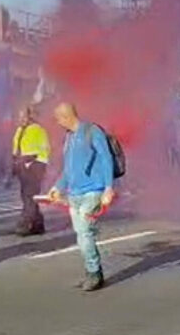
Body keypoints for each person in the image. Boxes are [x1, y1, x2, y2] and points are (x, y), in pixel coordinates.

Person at [48, 103, 115, 291]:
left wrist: (108, 188)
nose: (57, 122)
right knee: (81, 235)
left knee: (85, 233)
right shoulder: (69, 137)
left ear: (66, 116)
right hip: (74, 193)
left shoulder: (92, 131)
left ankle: (94, 273)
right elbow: (68, 170)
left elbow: (106, 158)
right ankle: (92, 271)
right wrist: (57, 187)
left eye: (58, 118)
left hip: (93, 190)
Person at [12, 106, 51, 236]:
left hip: (35, 166)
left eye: (23, 116)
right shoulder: (20, 130)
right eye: (19, 116)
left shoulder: (37, 129)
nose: (20, 119)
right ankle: (38, 224)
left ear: (31, 116)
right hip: (23, 166)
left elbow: (44, 149)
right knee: (27, 195)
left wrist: (31, 159)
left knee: (29, 196)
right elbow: (16, 148)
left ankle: (25, 223)